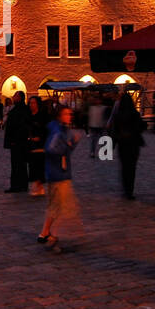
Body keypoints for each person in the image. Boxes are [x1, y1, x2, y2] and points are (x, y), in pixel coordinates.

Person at [38, 105, 86, 252]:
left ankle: (45, 233)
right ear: (59, 116)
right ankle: (52, 235)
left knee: (56, 205)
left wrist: (71, 143)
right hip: (59, 174)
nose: (69, 116)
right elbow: (52, 149)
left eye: (70, 114)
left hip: (58, 173)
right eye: (66, 114)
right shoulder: (59, 132)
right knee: (60, 206)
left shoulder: (59, 129)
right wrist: (70, 143)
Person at [109, 93, 146, 200]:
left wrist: (111, 146)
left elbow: (114, 132)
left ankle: (126, 190)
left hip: (122, 144)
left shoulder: (118, 115)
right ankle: (130, 191)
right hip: (133, 144)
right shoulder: (135, 114)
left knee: (124, 167)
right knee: (131, 168)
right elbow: (140, 127)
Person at [3, 90, 30, 193]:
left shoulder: (22, 110)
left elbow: (21, 127)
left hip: (18, 143)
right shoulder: (18, 109)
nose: (13, 98)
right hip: (16, 142)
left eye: (15, 96)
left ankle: (18, 186)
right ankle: (20, 185)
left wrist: (15, 140)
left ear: (20, 98)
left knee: (19, 164)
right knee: (18, 164)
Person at [27, 96, 48, 196]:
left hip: (40, 144)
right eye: (30, 103)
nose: (31, 105)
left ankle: (39, 186)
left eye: (33, 103)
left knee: (40, 165)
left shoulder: (43, 116)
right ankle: (36, 185)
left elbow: (46, 129)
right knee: (32, 165)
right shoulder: (28, 116)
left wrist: (40, 137)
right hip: (31, 144)